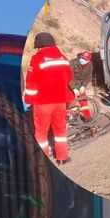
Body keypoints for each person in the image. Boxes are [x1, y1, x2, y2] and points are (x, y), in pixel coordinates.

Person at [23, 32, 74, 164]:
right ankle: (62, 157)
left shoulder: (37, 58)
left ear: (39, 46)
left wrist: (28, 99)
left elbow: (31, 82)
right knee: (60, 129)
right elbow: (69, 77)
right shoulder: (63, 57)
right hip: (60, 101)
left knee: (41, 133)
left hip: (43, 102)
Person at [70, 51, 95, 121]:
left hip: (80, 85)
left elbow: (88, 77)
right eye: (82, 58)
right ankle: (72, 117)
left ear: (88, 60)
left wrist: (83, 86)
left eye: (85, 59)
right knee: (71, 101)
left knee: (83, 100)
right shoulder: (72, 63)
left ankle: (87, 117)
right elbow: (68, 77)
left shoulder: (89, 65)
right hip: (71, 84)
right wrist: (73, 88)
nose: (83, 60)